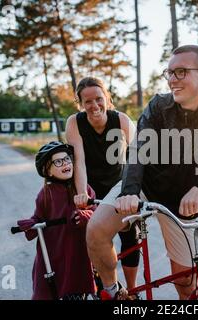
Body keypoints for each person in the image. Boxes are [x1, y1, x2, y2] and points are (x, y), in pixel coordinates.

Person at [86, 44, 198, 300]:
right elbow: (138, 151)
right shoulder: (158, 106)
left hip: (183, 201)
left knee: (186, 281)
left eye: (181, 72)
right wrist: (130, 191)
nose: (172, 80)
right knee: (96, 230)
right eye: (169, 73)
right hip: (143, 185)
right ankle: (112, 292)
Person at [65, 77, 140, 296]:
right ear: (80, 104)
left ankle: (132, 291)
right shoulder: (74, 123)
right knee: (95, 237)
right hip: (90, 188)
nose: (94, 105)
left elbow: (139, 157)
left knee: (130, 236)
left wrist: (133, 190)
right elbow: (78, 161)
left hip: (120, 185)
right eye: (87, 101)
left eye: (99, 99)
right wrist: (81, 194)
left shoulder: (122, 120)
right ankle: (108, 290)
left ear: (107, 98)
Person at [17, 141, 97, 300]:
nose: (65, 164)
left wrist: (84, 215)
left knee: (78, 280)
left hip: (77, 248)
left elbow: (95, 212)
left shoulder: (82, 188)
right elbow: (39, 217)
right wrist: (31, 225)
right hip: (54, 250)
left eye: (67, 159)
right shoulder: (45, 194)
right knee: (50, 285)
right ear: (49, 170)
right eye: (58, 162)